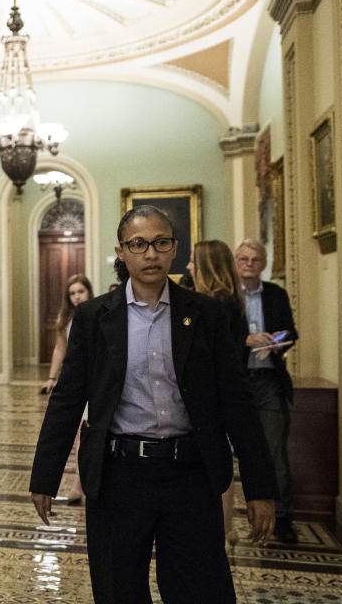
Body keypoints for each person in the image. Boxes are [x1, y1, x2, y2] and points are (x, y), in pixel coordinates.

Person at [29, 205, 277, 604]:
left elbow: (237, 404)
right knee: (118, 589)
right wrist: (44, 477)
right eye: (139, 244)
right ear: (121, 252)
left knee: (201, 589)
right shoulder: (95, 317)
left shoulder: (207, 315)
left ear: (174, 249)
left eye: (161, 243)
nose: (150, 254)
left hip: (190, 475)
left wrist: (260, 489)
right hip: (118, 477)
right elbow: (67, 399)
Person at [234, 239, 300, 544]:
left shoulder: (276, 294)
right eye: (244, 258)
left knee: (275, 451)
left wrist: (277, 338)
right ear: (235, 262)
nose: (249, 263)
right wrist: (247, 339)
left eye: (255, 259)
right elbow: (219, 336)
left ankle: (282, 516)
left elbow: (291, 331)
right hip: (235, 378)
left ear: (263, 264)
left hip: (268, 379)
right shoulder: (227, 296)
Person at [188, 239, 249, 546]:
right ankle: (227, 527)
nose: (187, 267)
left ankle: (224, 529)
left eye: (192, 262)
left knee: (217, 463)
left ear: (206, 267)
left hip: (213, 393)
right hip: (223, 390)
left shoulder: (214, 306)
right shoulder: (231, 300)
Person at [41, 274, 94, 395]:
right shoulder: (64, 317)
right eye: (72, 293)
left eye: (81, 291)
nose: (77, 297)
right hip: (72, 372)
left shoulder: (98, 313)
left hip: (94, 372)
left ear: (88, 292)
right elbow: (60, 349)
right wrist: (51, 378)